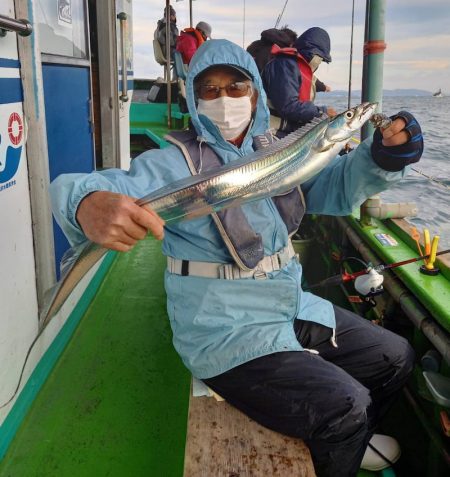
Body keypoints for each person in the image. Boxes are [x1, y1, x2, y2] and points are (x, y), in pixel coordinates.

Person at [50, 39, 424, 477]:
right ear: (193, 97)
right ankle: (341, 443)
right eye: (208, 90)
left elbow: (336, 189)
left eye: (235, 87)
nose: (223, 99)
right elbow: (85, 185)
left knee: (395, 356)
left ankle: (349, 444)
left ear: (255, 94)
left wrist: (381, 157)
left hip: (288, 305)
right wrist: (85, 202)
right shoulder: (172, 165)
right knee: (347, 408)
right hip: (223, 332)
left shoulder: (277, 150)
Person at [262, 26, 337, 137]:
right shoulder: (285, 65)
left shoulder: (294, 65)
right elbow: (289, 106)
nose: (320, 63)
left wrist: (324, 88)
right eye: (321, 59)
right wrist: (322, 112)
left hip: (288, 131)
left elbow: (310, 82)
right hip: (273, 132)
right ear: (314, 55)